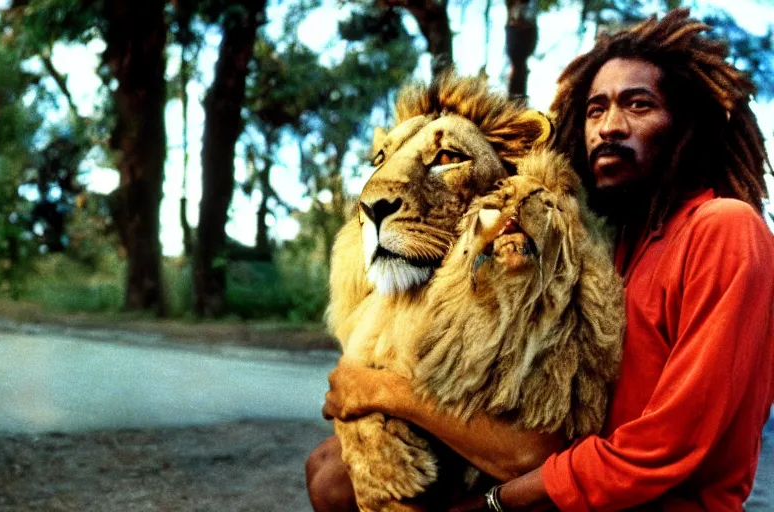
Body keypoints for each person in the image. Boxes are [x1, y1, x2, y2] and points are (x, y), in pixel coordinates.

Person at [306, 8, 774, 511]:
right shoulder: (615, 241)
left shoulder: (724, 227)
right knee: (330, 470)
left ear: (687, 126)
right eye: (595, 110)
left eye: (638, 105)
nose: (609, 127)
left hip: (650, 500)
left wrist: (492, 500)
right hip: (579, 477)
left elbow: (661, 449)